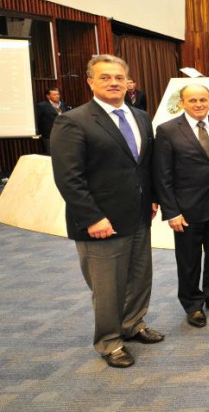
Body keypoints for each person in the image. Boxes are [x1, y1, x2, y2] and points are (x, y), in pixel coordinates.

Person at [51, 54, 163, 368]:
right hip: (101, 222)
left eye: (119, 77)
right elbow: (68, 177)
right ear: (91, 82)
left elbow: (144, 165)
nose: (113, 82)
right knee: (107, 287)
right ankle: (110, 342)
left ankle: (133, 324)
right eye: (105, 77)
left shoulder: (141, 116)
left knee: (139, 277)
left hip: (139, 216)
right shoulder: (73, 121)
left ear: (128, 82)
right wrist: (92, 218)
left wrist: (152, 199)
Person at [154, 84, 209, 328]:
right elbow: (162, 175)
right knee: (189, 260)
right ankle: (193, 304)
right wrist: (171, 211)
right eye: (192, 100)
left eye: (203, 99)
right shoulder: (167, 130)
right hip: (186, 209)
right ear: (182, 102)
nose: (198, 104)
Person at [36, 87, 70, 154]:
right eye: (54, 95)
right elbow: (38, 120)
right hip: (49, 135)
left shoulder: (63, 104)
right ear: (48, 96)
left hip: (64, 134)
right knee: (52, 154)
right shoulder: (42, 106)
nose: (57, 96)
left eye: (58, 94)